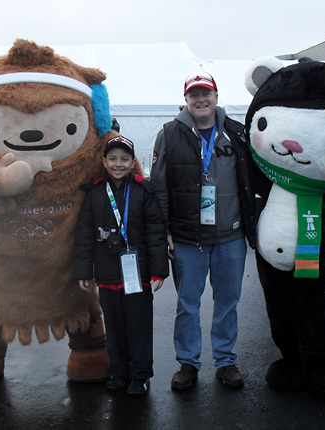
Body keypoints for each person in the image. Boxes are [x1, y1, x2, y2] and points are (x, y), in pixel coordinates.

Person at [149, 72, 256, 390]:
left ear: (216, 96)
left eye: (205, 93)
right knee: (188, 304)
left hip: (230, 237)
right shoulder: (169, 134)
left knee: (228, 301)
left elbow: (250, 182)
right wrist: (164, 232)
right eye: (194, 95)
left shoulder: (237, 133)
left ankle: (225, 361)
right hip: (186, 239)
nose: (201, 99)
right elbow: (159, 187)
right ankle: (188, 363)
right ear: (186, 100)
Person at [74, 136, 168, 397]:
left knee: (139, 326)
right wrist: (83, 271)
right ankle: (118, 371)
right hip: (106, 275)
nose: (118, 164)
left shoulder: (143, 190)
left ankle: (140, 375)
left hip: (137, 273)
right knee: (113, 328)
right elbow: (83, 236)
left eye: (124, 159)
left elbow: (156, 233)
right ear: (104, 162)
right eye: (113, 159)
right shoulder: (93, 193)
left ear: (132, 162)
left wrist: (158, 271)